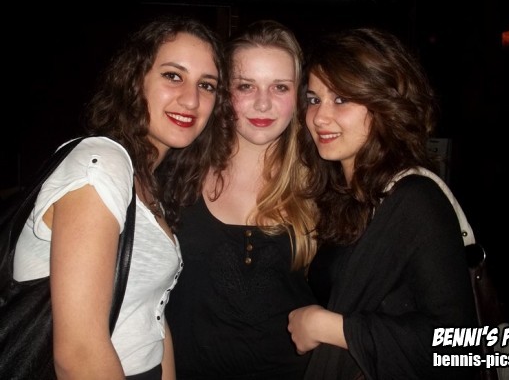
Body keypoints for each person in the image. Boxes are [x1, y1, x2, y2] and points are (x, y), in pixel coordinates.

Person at [13, 14, 234, 380]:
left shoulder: (146, 181)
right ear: (135, 79)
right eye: (173, 76)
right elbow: (79, 354)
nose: (191, 99)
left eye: (207, 85)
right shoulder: (101, 164)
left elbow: (152, 318)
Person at [287, 27, 478, 380]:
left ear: (383, 105)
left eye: (341, 99)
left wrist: (329, 327)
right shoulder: (345, 196)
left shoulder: (415, 199)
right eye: (314, 99)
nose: (319, 117)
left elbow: (460, 347)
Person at [165, 19, 318, 380]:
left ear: (298, 96)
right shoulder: (176, 174)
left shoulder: (321, 186)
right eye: (246, 86)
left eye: (280, 87)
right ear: (224, 92)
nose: (263, 103)